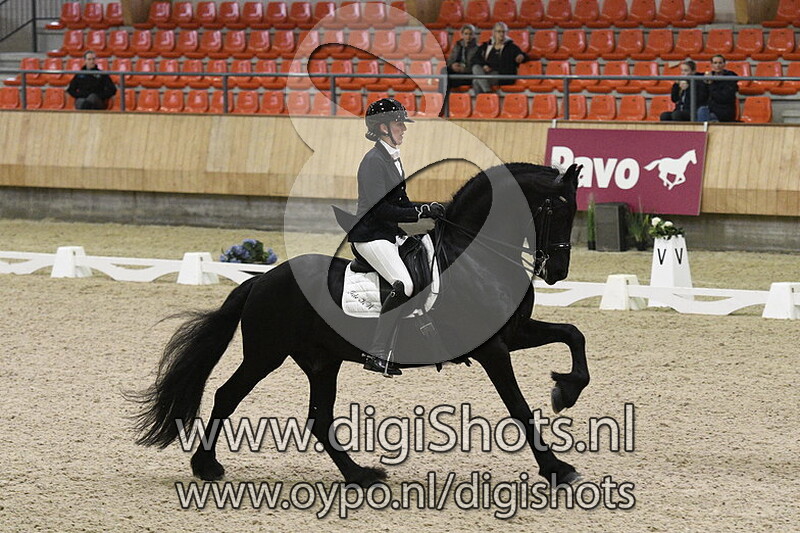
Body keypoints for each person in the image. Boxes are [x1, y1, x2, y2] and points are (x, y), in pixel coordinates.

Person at [348, 98, 445, 376]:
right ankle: (377, 352)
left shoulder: (392, 157)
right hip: (370, 235)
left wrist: (427, 207)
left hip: (388, 232)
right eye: (398, 123)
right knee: (404, 284)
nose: (404, 128)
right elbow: (380, 209)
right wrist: (418, 213)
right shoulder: (373, 161)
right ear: (383, 128)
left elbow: (400, 203)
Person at [471, 22, 528, 94]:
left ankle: (487, 93)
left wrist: (522, 56)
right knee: (475, 67)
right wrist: (484, 65)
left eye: (503, 32)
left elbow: (524, 56)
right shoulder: (485, 46)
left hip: (502, 75)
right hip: (487, 73)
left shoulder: (511, 47)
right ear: (494, 33)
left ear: (506, 33)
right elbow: (475, 58)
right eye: (499, 31)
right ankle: (487, 93)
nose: (501, 34)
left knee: (476, 82)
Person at [697, 55, 738, 122]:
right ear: (711, 65)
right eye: (715, 63)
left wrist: (711, 84)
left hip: (724, 111)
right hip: (709, 109)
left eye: (720, 63)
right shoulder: (708, 76)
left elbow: (723, 98)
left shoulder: (730, 78)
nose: (718, 65)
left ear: (724, 64)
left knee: (703, 114)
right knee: (700, 111)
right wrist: (704, 83)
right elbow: (702, 97)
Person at [440, 24, 480, 93]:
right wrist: (452, 66)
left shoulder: (477, 48)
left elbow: (476, 67)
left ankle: (444, 96)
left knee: (447, 81)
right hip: (456, 72)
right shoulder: (457, 46)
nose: (468, 36)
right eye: (466, 34)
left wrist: (464, 69)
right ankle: (442, 96)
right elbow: (450, 60)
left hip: (468, 75)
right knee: (444, 70)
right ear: (462, 35)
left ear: (473, 35)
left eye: (470, 34)